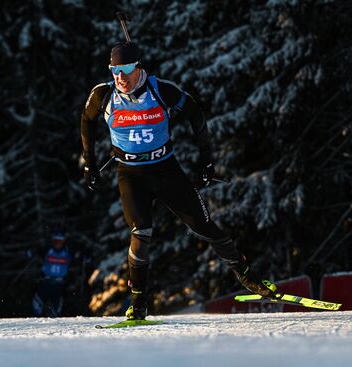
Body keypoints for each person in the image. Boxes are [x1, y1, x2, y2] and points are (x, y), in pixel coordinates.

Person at [80, 41, 276, 321]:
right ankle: (138, 303)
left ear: (138, 67)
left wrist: (206, 160)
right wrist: (90, 162)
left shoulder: (161, 90)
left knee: (203, 225)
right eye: (114, 70)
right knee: (141, 231)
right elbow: (85, 120)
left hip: (165, 169)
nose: (120, 77)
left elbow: (195, 112)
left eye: (125, 69)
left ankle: (249, 277)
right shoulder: (103, 95)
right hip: (131, 174)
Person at [28, 230, 78, 317]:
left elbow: (79, 256)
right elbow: (36, 252)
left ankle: (54, 326)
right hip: (45, 282)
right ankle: (33, 323)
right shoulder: (48, 249)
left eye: (60, 242)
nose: (58, 244)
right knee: (36, 306)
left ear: (63, 242)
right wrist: (31, 253)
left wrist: (85, 257)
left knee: (56, 310)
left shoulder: (68, 252)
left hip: (59, 284)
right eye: (56, 241)